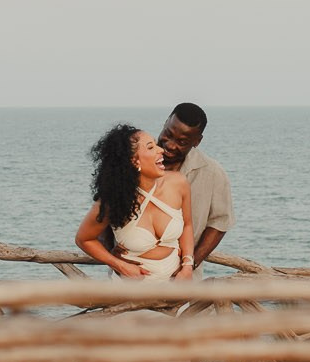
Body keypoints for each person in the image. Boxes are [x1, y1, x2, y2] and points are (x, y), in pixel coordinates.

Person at [75, 122, 195, 280]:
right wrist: (119, 265)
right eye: (151, 147)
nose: (161, 150)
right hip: (130, 293)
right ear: (134, 161)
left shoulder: (178, 183)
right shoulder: (114, 199)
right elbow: (84, 239)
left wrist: (187, 266)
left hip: (175, 291)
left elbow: (187, 225)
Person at [155, 102, 233, 266]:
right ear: (165, 122)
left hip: (182, 284)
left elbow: (219, 223)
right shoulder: (132, 162)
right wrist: (116, 260)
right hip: (129, 282)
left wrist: (189, 265)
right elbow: (103, 212)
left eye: (182, 142)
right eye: (168, 134)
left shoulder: (213, 174)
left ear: (197, 141)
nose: (170, 145)